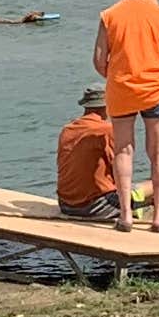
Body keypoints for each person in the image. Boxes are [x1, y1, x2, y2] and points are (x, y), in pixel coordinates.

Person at [96, 0, 159, 233]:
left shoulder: (109, 15)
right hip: (156, 89)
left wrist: (118, 75)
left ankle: (125, 216)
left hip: (122, 89)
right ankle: (158, 217)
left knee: (123, 150)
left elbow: (99, 60)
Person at [54, 83, 123, 225]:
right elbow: (120, 172)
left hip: (66, 205)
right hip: (95, 206)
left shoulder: (67, 129)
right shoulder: (106, 130)